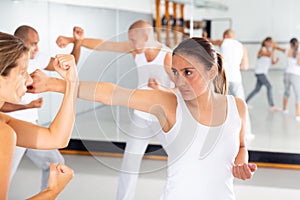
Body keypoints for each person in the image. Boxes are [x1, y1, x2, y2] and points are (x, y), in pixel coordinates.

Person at [30, 37, 257, 200]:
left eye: (188, 72)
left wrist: (240, 163)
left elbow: (242, 145)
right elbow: (111, 93)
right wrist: (54, 84)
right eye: (175, 73)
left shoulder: (237, 106)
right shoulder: (169, 104)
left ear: (211, 71)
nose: (179, 81)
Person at [57, 20, 173, 200]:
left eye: (134, 40)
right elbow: (104, 45)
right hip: (141, 116)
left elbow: (183, 90)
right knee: (129, 164)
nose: (131, 45)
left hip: (163, 118)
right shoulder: (137, 51)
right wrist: (74, 41)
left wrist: (162, 89)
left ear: (146, 37)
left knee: (176, 162)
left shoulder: (167, 57)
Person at [0, 25, 82, 191]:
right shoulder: (4, 133)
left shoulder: (5, 125)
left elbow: (56, 138)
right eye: (23, 72)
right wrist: (53, 191)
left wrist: (71, 84)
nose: (31, 81)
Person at [206, 29, 254, 140]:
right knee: (242, 106)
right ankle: (247, 133)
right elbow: (245, 66)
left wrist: (205, 36)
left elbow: (209, 42)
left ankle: (217, 131)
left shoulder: (224, 41)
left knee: (220, 104)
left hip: (224, 78)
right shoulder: (242, 46)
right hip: (236, 79)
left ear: (225, 35)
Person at [246, 37, 280, 111]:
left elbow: (272, 62)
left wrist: (276, 60)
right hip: (260, 72)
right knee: (269, 87)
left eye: (271, 42)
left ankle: (245, 102)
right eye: (269, 42)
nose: (270, 43)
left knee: (256, 90)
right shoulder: (263, 49)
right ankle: (272, 105)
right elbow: (268, 55)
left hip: (262, 72)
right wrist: (274, 48)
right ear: (265, 42)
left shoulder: (269, 51)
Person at [276, 38, 300, 121]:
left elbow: (279, 48)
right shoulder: (298, 53)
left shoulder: (288, 51)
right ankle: (298, 115)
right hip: (295, 75)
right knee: (298, 95)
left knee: (286, 92)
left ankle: (284, 109)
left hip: (287, 74)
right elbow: (299, 64)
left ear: (290, 44)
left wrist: (275, 45)